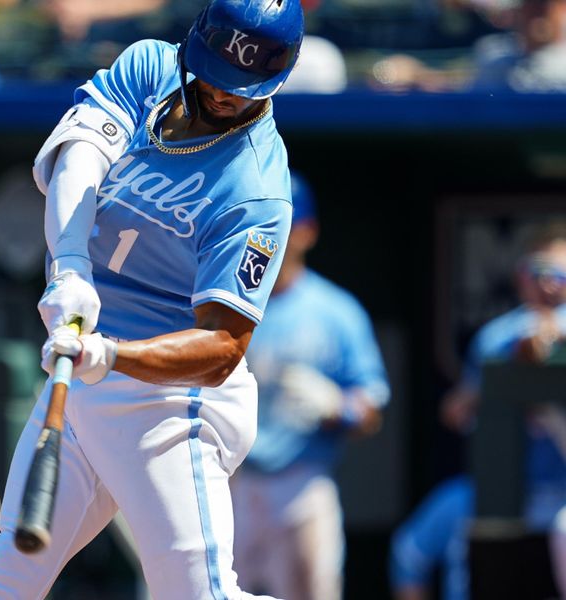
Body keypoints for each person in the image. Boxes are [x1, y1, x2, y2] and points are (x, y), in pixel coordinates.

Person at [0, 0, 303, 598]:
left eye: (243, 86)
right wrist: (70, 267)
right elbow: (82, 154)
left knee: (198, 595)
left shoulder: (258, 190)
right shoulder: (150, 67)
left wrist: (113, 356)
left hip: (173, 402)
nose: (226, 96)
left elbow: (224, 346)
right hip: (83, 375)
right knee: (8, 579)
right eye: (217, 76)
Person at [230, 173, 390, 600]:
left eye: (284, 224)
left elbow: (371, 409)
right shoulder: (225, 301)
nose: (274, 236)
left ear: (307, 231)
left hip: (302, 482)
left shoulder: (335, 311)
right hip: (231, 481)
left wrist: (339, 407)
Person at [389, 222, 566, 600]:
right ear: (521, 277)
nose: (550, 284)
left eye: (561, 275)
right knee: (422, 542)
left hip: (563, 491)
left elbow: (551, 337)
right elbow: (457, 412)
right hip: (504, 490)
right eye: (539, 273)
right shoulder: (497, 338)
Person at [372, 0, 566, 92]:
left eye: (545, 6)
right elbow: (468, 88)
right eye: (531, 5)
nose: (537, 14)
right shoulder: (494, 54)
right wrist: (416, 74)